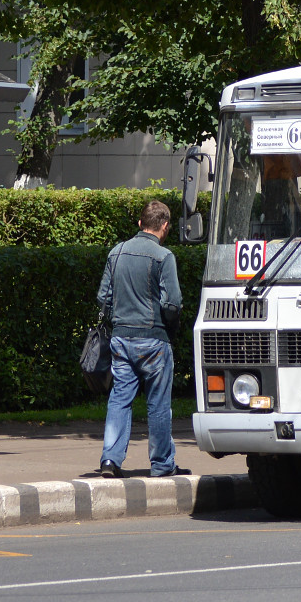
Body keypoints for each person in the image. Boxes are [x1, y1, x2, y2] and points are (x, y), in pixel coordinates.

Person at [97, 201, 189, 478]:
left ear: (140, 223)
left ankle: (110, 460)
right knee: (158, 404)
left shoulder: (117, 252)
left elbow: (103, 297)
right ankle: (161, 464)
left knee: (120, 399)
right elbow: (172, 304)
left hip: (121, 338)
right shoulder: (164, 256)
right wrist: (170, 328)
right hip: (154, 339)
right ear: (164, 226)